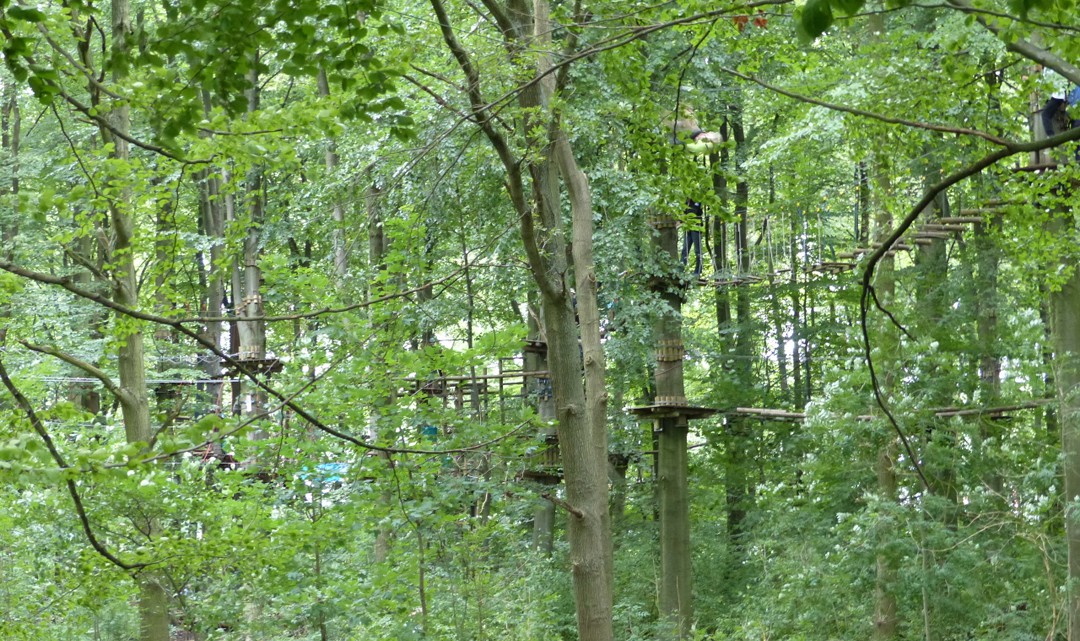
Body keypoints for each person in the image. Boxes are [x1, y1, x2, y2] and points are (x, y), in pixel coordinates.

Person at [681, 198, 704, 277]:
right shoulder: (686, 203)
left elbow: (695, 212)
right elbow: (683, 214)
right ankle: (681, 270)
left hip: (696, 228)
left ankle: (698, 271)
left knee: (697, 250)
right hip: (688, 228)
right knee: (685, 249)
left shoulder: (697, 202)